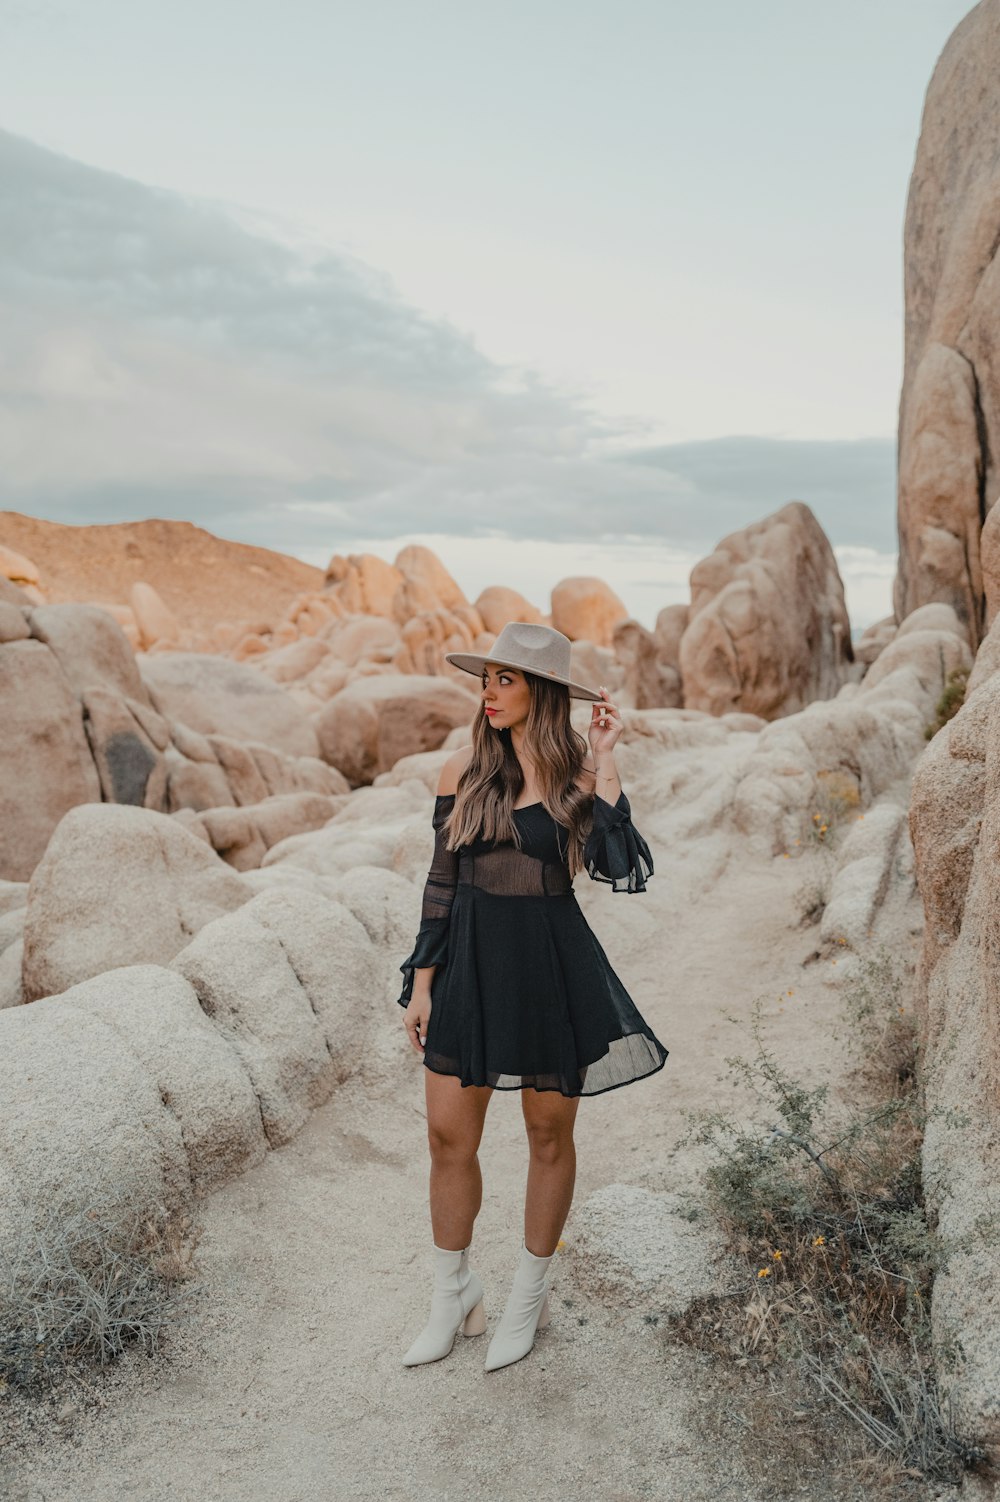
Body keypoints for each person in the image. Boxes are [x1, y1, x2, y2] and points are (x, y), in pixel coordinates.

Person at [396, 621, 669, 1372]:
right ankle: (452, 1292)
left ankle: (527, 1293)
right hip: (469, 969)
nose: (490, 691)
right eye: (486, 677)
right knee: (449, 1136)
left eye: (506, 679)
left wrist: (607, 763)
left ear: (541, 691)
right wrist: (422, 983)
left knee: (549, 1138)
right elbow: (441, 881)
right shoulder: (460, 770)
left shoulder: (578, 774)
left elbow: (619, 865)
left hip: (550, 967)